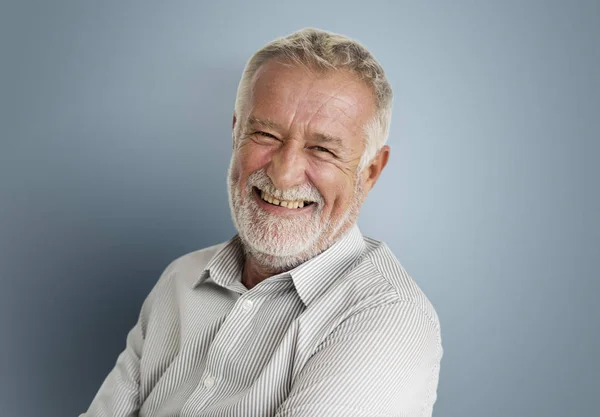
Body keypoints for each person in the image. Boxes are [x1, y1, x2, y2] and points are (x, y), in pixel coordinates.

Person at [81, 28, 443, 417]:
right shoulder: (180, 279)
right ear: (236, 133)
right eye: (266, 134)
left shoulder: (387, 318)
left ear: (370, 172)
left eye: (321, 149)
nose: (284, 174)